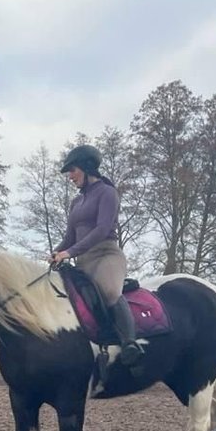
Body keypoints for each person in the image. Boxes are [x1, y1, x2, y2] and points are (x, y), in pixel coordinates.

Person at [49, 144, 141, 367]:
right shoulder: (76, 202)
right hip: (83, 259)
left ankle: (130, 344)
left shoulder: (108, 193)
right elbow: (70, 237)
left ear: (87, 167)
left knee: (109, 291)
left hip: (106, 254)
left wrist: (69, 252)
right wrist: (56, 252)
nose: (70, 176)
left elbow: (101, 230)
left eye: (72, 170)